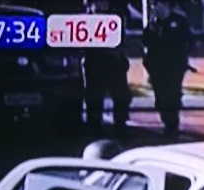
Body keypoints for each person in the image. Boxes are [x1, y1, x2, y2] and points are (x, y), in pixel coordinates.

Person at [142, 0, 194, 137]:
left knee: (173, 95)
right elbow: (145, 40)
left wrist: (182, 57)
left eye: (157, 4)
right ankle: (167, 121)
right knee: (160, 97)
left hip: (174, 67)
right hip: (157, 68)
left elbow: (189, 41)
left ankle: (172, 125)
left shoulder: (179, 21)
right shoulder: (154, 23)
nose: (155, 8)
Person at [81, 0, 132, 134]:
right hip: (94, 61)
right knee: (94, 95)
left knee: (120, 94)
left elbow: (122, 38)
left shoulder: (116, 16)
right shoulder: (86, 18)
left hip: (114, 60)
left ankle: (120, 123)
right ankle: (94, 124)